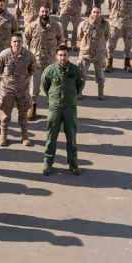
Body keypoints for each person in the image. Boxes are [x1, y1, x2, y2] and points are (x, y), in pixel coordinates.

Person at [40, 46, 84, 176]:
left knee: (71, 137)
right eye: (60, 55)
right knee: (51, 136)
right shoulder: (50, 70)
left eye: (65, 55)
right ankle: (48, 163)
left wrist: (71, 96)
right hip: (55, 107)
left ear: (68, 56)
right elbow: (45, 86)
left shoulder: (75, 70)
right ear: (56, 56)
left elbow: (80, 84)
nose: (62, 58)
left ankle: (73, 163)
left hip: (70, 107)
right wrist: (53, 97)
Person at [0, 33, 37, 147]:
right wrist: (8, 80)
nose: (17, 44)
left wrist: (23, 79)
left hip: (23, 90)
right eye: (14, 41)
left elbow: (32, 68)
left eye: (19, 41)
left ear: (22, 42)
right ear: (11, 42)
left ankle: (25, 135)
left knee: (23, 113)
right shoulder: (4, 55)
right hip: (8, 90)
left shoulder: (29, 55)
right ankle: (3, 134)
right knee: (5, 114)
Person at [24, 6, 63, 120]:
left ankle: (52, 108)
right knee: (34, 87)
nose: (44, 13)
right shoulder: (32, 26)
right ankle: (33, 107)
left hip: (51, 62)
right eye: (42, 12)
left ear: (49, 12)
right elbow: (27, 39)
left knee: (52, 87)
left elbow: (60, 40)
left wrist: (53, 51)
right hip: (36, 63)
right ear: (38, 13)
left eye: (46, 11)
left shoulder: (56, 26)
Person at [77, 7, 110, 100]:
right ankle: (79, 91)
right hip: (85, 54)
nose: (96, 14)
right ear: (91, 13)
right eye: (94, 12)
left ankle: (100, 92)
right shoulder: (84, 23)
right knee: (81, 75)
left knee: (100, 75)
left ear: (100, 13)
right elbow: (80, 36)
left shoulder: (105, 24)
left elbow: (107, 36)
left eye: (98, 12)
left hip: (99, 55)